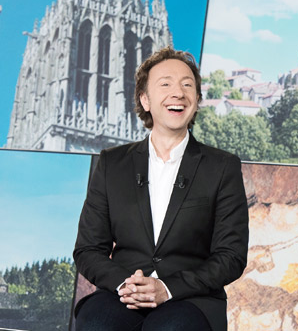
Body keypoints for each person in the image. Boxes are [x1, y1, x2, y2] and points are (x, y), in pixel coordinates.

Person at [73, 47, 249, 331]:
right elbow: (88, 249)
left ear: (196, 99)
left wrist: (167, 287)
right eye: (165, 84)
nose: (178, 93)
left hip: (191, 298)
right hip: (122, 292)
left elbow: (231, 256)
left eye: (187, 85)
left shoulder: (222, 167)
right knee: (97, 324)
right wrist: (126, 284)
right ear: (145, 99)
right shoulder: (112, 163)